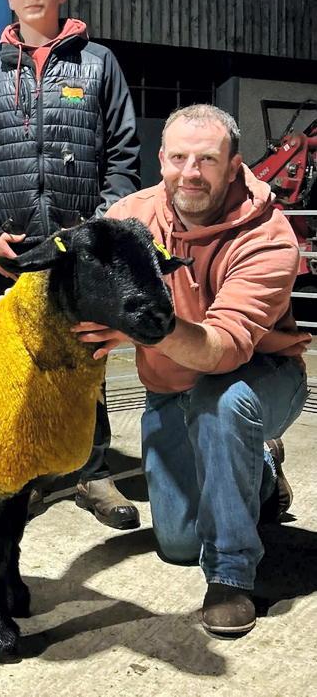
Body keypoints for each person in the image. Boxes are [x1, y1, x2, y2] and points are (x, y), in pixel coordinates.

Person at [74, 104, 310, 635]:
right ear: (161, 159)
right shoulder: (131, 218)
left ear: (234, 166)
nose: (191, 172)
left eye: (207, 159)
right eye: (179, 157)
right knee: (179, 545)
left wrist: (143, 328)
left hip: (259, 377)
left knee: (223, 403)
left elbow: (223, 350)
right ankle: (263, 475)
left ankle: (231, 575)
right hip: (169, 387)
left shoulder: (269, 237)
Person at [0, 0, 141, 529]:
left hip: (80, 246)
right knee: (16, 358)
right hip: (12, 249)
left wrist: (99, 230)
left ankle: (93, 470)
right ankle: (25, 468)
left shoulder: (99, 64)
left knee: (89, 353)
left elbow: (124, 158)